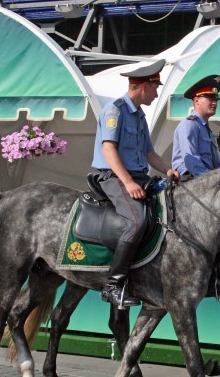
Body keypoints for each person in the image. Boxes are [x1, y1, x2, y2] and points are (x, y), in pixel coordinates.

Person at [92, 59, 179, 308]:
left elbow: (150, 153)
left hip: (140, 177)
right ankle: (114, 285)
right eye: (155, 86)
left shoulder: (139, 115)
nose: (156, 92)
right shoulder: (114, 111)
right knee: (137, 220)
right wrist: (128, 182)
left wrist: (168, 169)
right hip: (114, 177)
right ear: (142, 86)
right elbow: (108, 149)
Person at [172, 74, 220, 178]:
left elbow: (217, 163)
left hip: (206, 180)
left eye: (215, 100)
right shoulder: (189, 124)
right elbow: (192, 161)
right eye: (210, 99)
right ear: (196, 100)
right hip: (192, 182)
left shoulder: (205, 128)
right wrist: (211, 179)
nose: (214, 103)